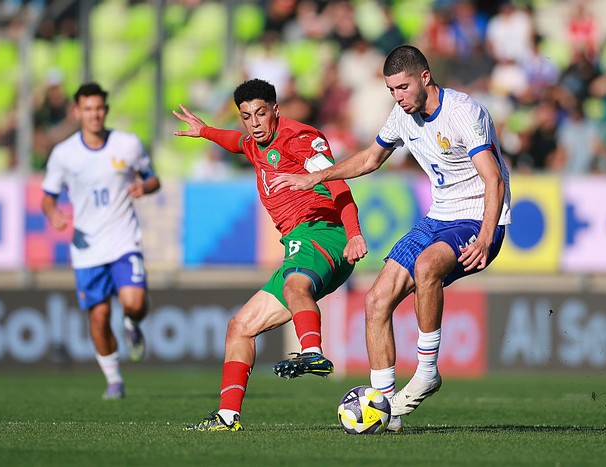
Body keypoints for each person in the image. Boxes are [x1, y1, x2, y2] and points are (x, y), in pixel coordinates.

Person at [271, 45, 511, 428]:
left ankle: (428, 370)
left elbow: (493, 178)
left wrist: (485, 236)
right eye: (391, 91)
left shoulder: (463, 112)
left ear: (425, 78)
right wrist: (316, 177)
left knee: (427, 263)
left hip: (479, 217)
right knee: (376, 301)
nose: (398, 98)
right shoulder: (402, 116)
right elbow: (369, 159)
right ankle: (383, 410)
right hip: (438, 217)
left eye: (403, 88)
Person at [173, 78, 367, 432]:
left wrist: (354, 234)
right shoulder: (252, 141)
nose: (255, 123)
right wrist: (205, 131)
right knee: (240, 328)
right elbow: (237, 143)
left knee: (295, 286)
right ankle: (227, 416)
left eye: (261, 113)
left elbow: (338, 183)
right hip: (298, 242)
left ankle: (313, 352)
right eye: (246, 116)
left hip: (322, 231)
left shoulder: (300, 139)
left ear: (276, 110)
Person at [42, 82, 160, 400]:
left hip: (124, 241)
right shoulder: (64, 154)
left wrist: (144, 188)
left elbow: (152, 178)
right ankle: (114, 379)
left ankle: (133, 324)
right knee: (99, 316)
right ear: (76, 111)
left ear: (106, 110)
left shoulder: (127, 144)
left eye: (100, 108)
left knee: (134, 303)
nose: (95, 115)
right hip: (87, 249)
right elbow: (48, 197)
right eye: (88, 109)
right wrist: (53, 213)